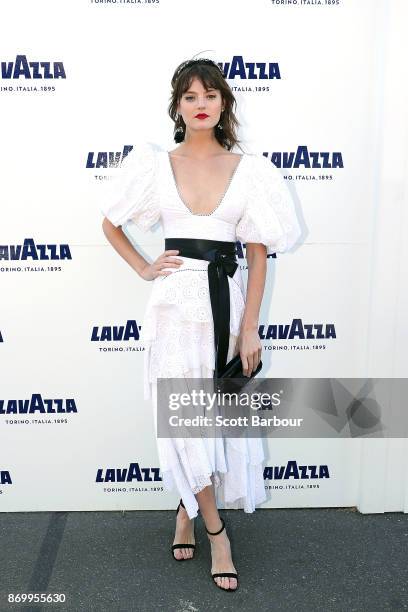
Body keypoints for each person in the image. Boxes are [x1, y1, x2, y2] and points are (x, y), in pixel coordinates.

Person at [101, 57, 301, 592]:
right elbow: (109, 222)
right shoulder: (153, 166)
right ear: (178, 106)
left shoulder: (250, 170)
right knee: (184, 419)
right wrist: (145, 267)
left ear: (224, 103)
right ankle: (218, 535)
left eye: (210, 94)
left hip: (226, 309)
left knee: (211, 419)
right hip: (172, 310)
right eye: (190, 96)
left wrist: (250, 327)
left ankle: (186, 509)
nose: (201, 104)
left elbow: (259, 256)